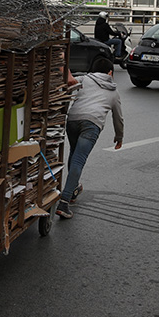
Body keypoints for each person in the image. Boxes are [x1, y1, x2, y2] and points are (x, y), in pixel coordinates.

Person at [56, 56, 124, 220]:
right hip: (91, 124)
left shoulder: (84, 79)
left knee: (74, 155)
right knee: (79, 160)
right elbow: (118, 118)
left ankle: (73, 189)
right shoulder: (114, 92)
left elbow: (68, 86)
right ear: (110, 72)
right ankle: (64, 202)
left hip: (73, 120)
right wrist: (119, 137)